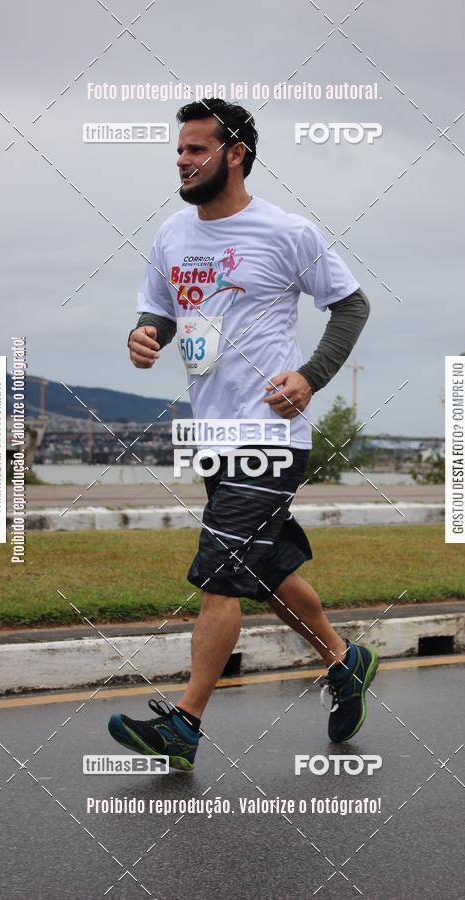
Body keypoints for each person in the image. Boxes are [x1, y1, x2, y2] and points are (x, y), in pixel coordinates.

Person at [108, 98, 378, 770]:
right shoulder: (172, 235)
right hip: (215, 431)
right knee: (267, 572)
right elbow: (161, 308)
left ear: (235, 153)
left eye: (197, 149)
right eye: (178, 150)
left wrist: (312, 376)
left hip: (271, 433)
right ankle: (345, 662)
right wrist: (147, 334)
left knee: (221, 575)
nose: (183, 160)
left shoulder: (287, 232)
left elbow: (351, 304)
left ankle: (185, 724)